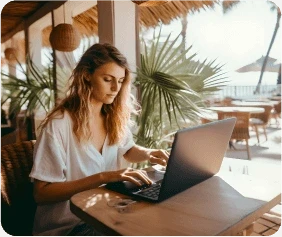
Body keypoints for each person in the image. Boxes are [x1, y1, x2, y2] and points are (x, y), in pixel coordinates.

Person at [29, 43, 169, 236]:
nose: (115, 88)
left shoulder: (112, 116)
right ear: (87, 75)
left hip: (104, 212)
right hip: (69, 225)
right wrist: (103, 177)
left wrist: (150, 154)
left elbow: (127, 150)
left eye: (120, 81)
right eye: (107, 79)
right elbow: (41, 193)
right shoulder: (59, 125)